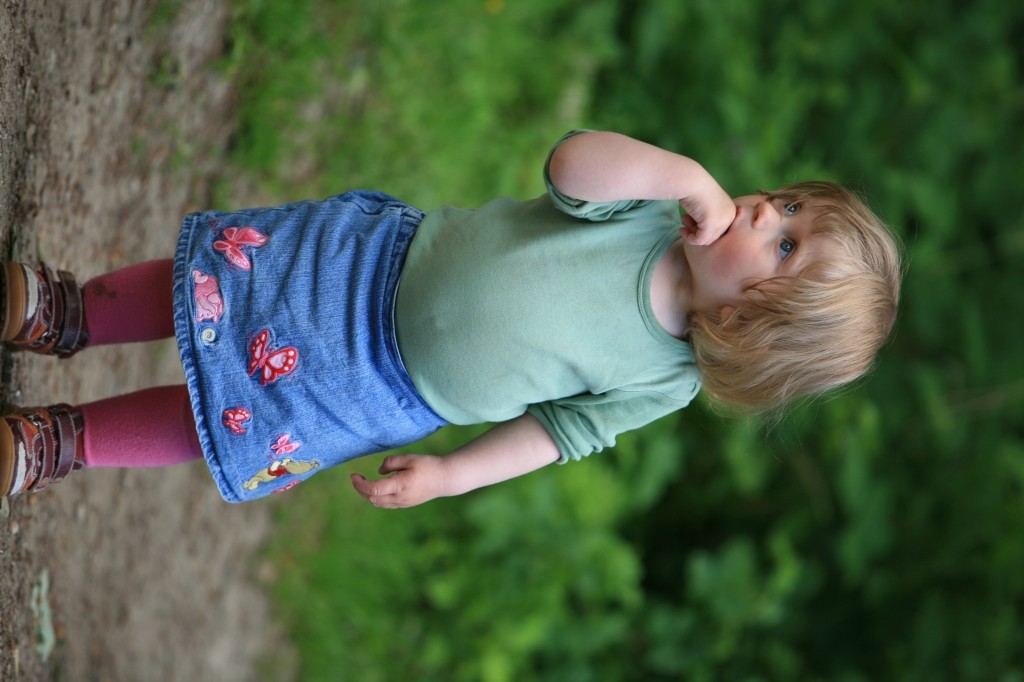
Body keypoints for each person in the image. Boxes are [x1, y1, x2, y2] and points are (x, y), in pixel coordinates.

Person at [0, 130, 902, 506]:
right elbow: (571, 164)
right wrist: (684, 176)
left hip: (379, 390)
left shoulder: (663, 380)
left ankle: (64, 443)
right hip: (369, 266)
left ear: (751, 324)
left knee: (232, 418)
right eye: (790, 205)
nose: (767, 211)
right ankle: (69, 311)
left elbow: (556, 433)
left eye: (785, 245)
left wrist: (454, 475)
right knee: (221, 284)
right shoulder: (651, 209)